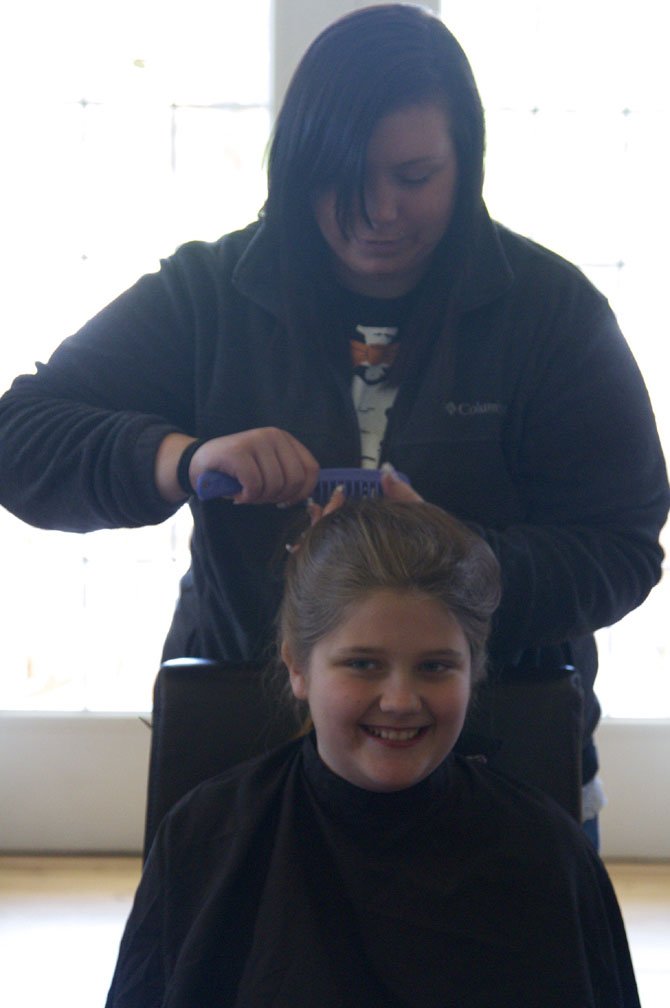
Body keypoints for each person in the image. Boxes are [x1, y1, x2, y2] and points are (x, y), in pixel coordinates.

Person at [0, 4, 667, 842]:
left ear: (467, 165)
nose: (378, 211)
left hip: (499, 754)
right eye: (343, 179)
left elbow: (623, 547)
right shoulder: (210, 295)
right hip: (247, 751)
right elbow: (19, 438)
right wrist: (185, 457)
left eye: (414, 177)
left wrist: (459, 560)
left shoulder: (551, 315)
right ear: (294, 167)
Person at [105, 498, 641, 1007]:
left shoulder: (546, 854)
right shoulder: (207, 836)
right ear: (297, 666)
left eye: (435, 666)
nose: (401, 701)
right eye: (362, 664)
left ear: (474, 672)